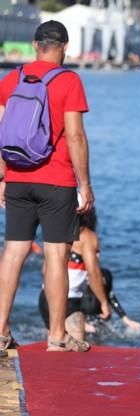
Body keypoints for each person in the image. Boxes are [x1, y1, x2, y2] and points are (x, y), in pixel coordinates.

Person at [0, 20, 93, 352]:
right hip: (56, 180)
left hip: (17, 178)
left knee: (13, 252)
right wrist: (85, 183)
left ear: (35, 44)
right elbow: (75, 135)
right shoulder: (69, 81)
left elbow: (2, 130)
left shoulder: (12, 78)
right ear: (64, 47)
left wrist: (2, 176)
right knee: (56, 253)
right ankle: (57, 335)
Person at [37, 208, 140, 339]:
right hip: (68, 300)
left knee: (54, 343)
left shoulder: (55, 231)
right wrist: (104, 303)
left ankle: (6, 355)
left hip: (45, 297)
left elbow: (44, 269)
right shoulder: (87, 236)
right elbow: (93, 272)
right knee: (75, 352)